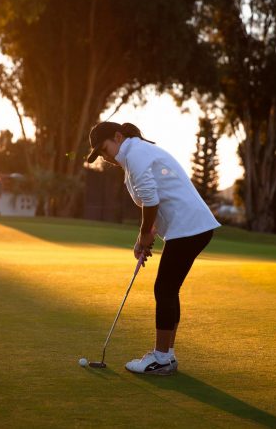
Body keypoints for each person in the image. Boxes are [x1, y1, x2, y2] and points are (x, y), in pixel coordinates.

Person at [87, 121, 221, 375]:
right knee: (169, 288)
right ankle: (166, 356)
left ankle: (161, 358)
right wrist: (145, 238)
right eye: (100, 154)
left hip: (190, 227)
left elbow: (151, 199)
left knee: (165, 288)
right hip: (191, 227)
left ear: (118, 137)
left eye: (104, 149)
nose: (105, 157)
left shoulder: (136, 154)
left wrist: (144, 233)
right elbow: (156, 198)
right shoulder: (134, 155)